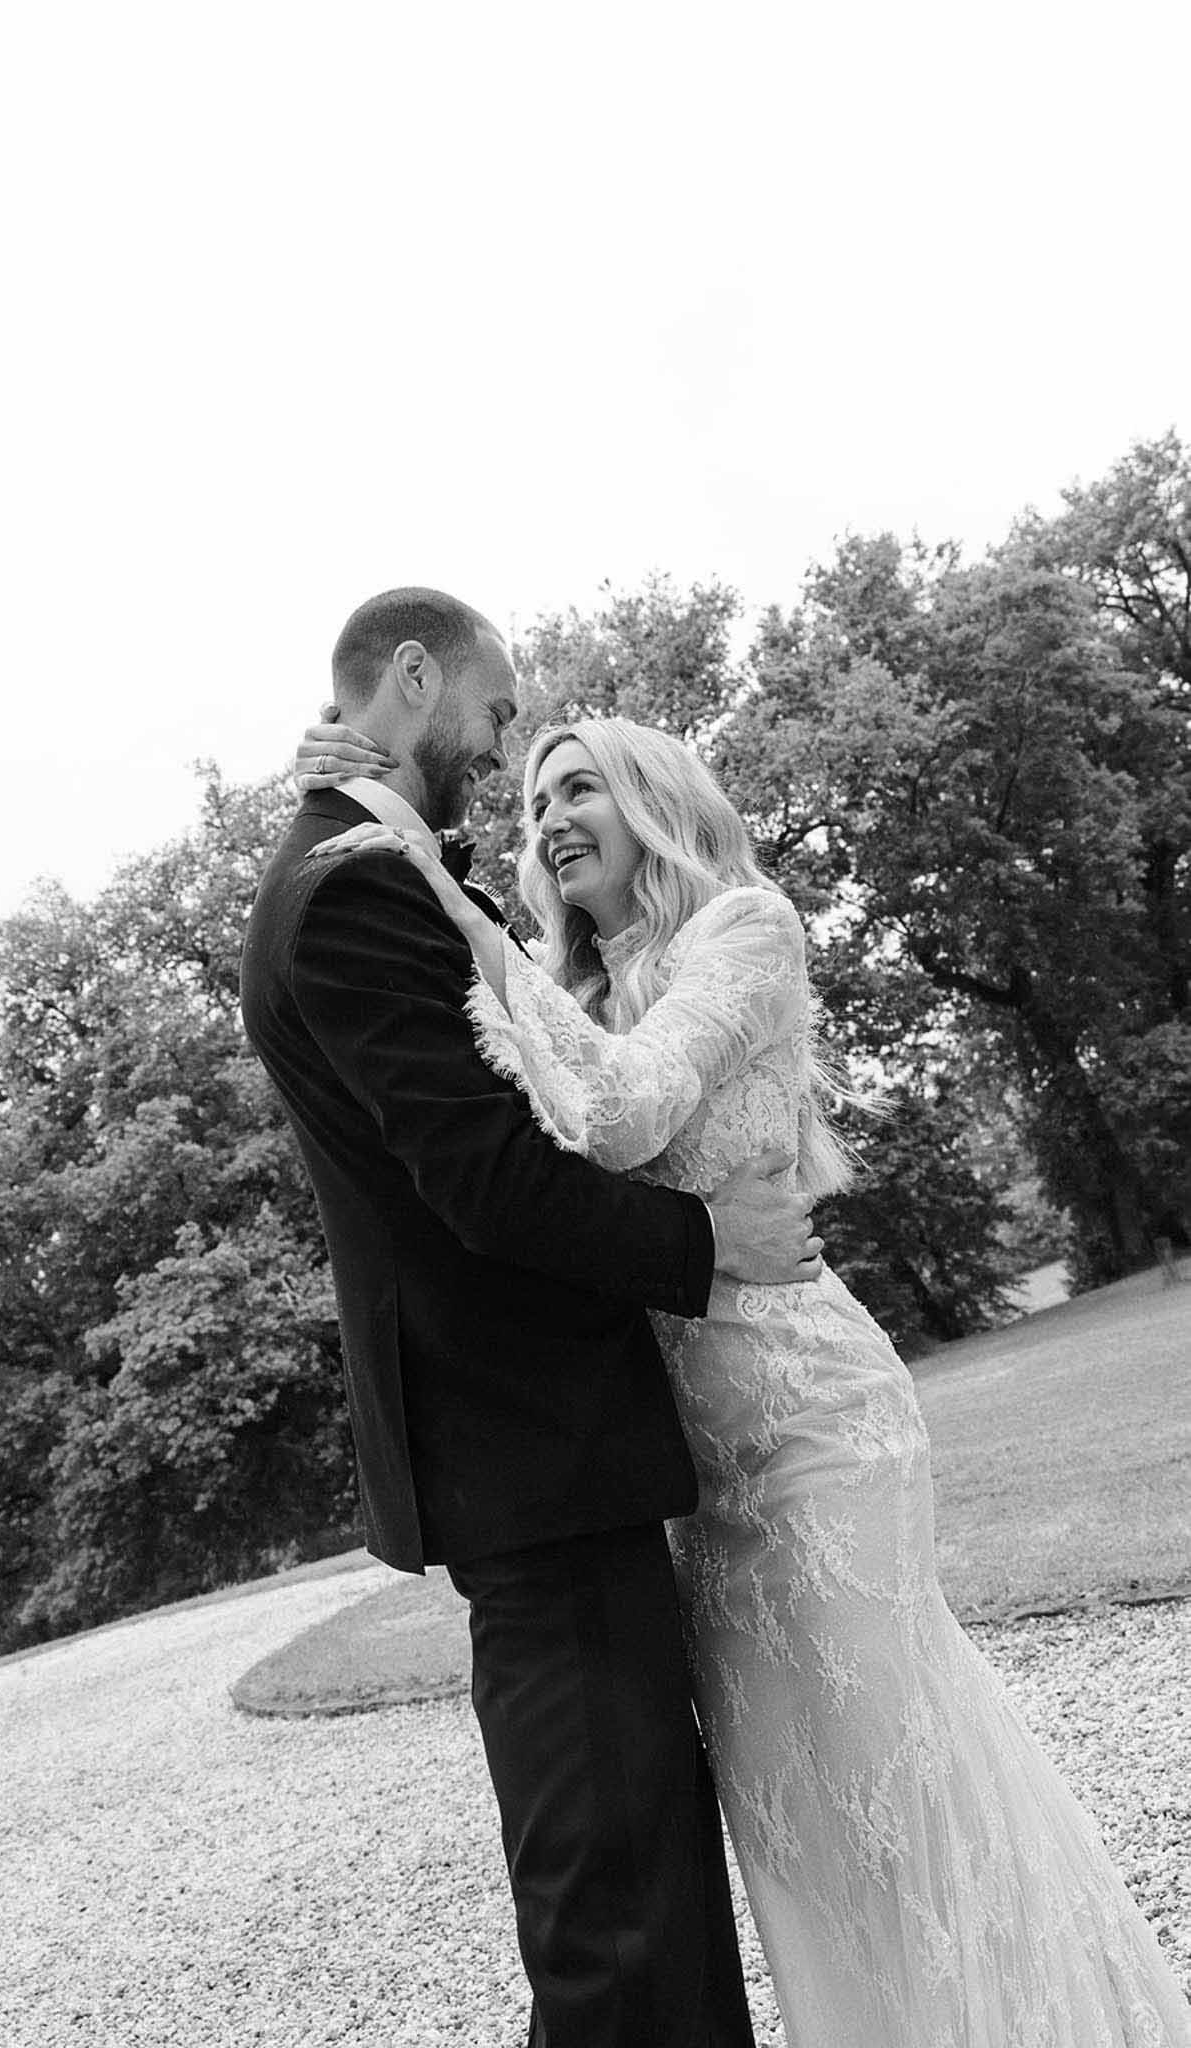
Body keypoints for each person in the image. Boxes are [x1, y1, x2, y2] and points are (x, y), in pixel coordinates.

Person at [300, 709, 1191, 2048]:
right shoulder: (567, 989)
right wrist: (383, 819)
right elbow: (505, 1166)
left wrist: (428, 881)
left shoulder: (744, 930)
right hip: (687, 1477)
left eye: (579, 785)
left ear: (655, 797)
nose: (548, 820)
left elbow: (620, 1113)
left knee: (890, 1796)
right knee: (794, 1841)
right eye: (534, 801)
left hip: (810, 1427)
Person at [240, 590, 829, 2048]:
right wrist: (709, 1241)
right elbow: (491, 1182)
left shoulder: (361, 865)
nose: (506, 748)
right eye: (500, 716)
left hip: (535, 1462)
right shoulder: (358, 884)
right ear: (419, 677)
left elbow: (518, 1059)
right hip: (531, 1452)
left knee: (631, 1896)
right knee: (619, 1931)